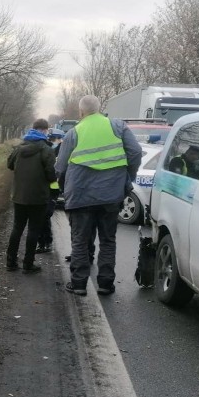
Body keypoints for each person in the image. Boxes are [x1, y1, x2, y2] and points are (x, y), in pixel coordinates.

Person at [56, 95, 142, 296]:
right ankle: (105, 283)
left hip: (80, 195)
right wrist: (127, 177)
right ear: (100, 109)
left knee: (79, 240)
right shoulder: (118, 126)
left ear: (81, 112)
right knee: (108, 240)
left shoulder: (73, 133)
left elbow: (60, 168)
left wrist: (64, 188)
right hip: (111, 195)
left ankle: (78, 284)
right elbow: (136, 152)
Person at [6, 118, 57, 274]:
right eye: (47, 131)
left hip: (19, 196)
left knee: (17, 228)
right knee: (33, 230)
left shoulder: (19, 148)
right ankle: (28, 264)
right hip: (38, 197)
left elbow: (9, 165)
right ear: (44, 130)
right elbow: (51, 174)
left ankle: (11, 262)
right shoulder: (46, 150)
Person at [36, 128, 65, 254]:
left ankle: (45, 242)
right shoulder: (50, 151)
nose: (56, 141)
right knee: (43, 218)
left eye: (57, 139)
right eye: (53, 139)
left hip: (52, 190)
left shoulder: (60, 152)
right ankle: (44, 243)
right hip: (47, 189)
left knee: (44, 217)